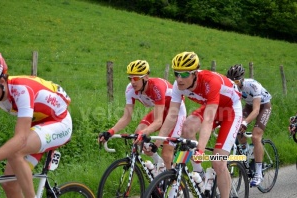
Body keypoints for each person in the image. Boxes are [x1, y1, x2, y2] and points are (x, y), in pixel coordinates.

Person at [155, 52, 242, 198]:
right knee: (186, 127)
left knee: (218, 162)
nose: (179, 79)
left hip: (230, 111)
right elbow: (172, 116)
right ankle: (199, 173)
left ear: (195, 73)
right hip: (211, 106)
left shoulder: (210, 81)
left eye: (184, 75)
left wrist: (200, 150)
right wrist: (157, 142)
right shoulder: (178, 86)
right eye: (176, 73)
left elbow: (208, 120)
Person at [0, 53, 72, 198]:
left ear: (1, 81)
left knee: (16, 151)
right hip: (39, 123)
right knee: (9, 184)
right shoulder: (1, 92)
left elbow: (21, 139)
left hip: (60, 122)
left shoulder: (21, 90)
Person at [98, 60, 186, 169]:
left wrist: (152, 140)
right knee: (137, 134)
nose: (132, 82)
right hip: (161, 110)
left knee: (166, 153)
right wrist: (110, 132)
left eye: (136, 78)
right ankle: (158, 164)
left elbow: (158, 121)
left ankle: (174, 182)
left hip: (176, 113)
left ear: (146, 77)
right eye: (130, 78)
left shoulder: (156, 88)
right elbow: (126, 117)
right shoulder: (130, 90)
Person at [226, 64, 272, 187]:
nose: (233, 83)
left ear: (241, 79)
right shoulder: (231, 87)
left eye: (236, 81)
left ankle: (258, 173)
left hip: (263, 106)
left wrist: (245, 122)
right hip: (248, 105)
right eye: (231, 81)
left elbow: (256, 110)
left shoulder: (252, 85)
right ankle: (246, 150)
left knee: (256, 137)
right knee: (237, 130)